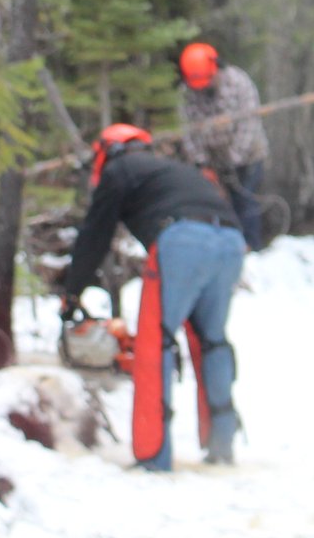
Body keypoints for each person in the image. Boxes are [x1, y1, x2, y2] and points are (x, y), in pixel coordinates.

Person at [60, 123, 243, 469]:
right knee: (212, 341)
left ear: (107, 152)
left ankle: (153, 455)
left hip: (182, 239)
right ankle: (222, 444)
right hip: (231, 240)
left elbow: (95, 234)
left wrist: (72, 292)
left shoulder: (120, 169)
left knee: (154, 343)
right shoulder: (173, 170)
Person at [177, 41, 266, 248]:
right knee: (214, 204)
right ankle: (223, 248)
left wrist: (233, 160)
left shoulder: (239, 83)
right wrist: (201, 163)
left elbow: (249, 126)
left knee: (245, 200)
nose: (202, 88)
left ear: (216, 67)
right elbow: (187, 130)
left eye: (206, 81)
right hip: (212, 160)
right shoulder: (187, 92)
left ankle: (251, 247)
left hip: (246, 156)